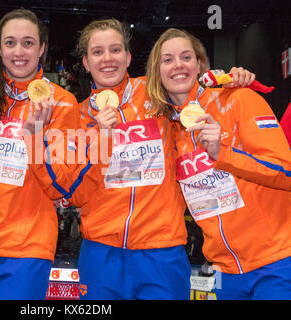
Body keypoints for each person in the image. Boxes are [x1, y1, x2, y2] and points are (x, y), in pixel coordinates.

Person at [64, 18, 253, 300]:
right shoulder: (76, 117)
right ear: (86, 62)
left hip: (161, 250)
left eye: (115, 50)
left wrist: (232, 79)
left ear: (128, 57)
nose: (107, 59)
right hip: (101, 251)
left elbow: (192, 81)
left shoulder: (156, 92)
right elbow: (74, 193)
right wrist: (100, 141)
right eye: (97, 52)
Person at [145, 27, 291, 299]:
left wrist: (222, 154)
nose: (177, 65)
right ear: (157, 71)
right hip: (224, 273)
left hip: (276, 262)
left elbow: (286, 171)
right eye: (167, 60)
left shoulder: (239, 99)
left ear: (200, 64)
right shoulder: (169, 131)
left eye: (186, 57)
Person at [0, 8, 81, 300]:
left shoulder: (62, 103)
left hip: (25, 249)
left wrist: (35, 140)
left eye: (28, 43)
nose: (18, 51)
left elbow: (62, 186)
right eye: (10, 43)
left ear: (42, 48)